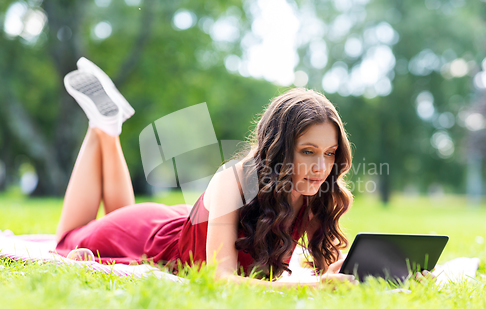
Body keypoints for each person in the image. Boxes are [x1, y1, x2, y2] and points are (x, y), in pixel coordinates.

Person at [55, 57, 357, 288]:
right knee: (66, 240)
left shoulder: (313, 194)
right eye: (307, 151)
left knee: (118, 212)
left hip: (172, 224)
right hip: (148, 238)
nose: (321, 168)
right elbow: (221, 280)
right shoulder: (233, 181)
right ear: (278, 148)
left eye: (329, 154)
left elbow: (323, 271)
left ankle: (107, 125)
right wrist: (311, 290)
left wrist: (344, 274)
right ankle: (104, 129)